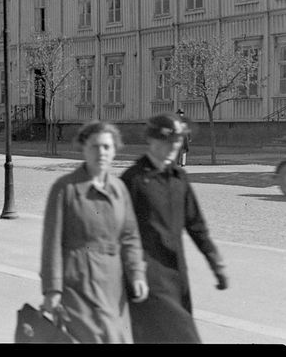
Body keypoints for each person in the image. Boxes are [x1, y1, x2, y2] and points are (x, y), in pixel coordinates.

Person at [121, 114, 229, 344]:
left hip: (177, 275)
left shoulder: (179, 178)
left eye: (177, 141)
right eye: (166, 141)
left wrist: (215, 261)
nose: (173, 147)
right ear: (151, 140)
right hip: (147, 279)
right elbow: (116, 233)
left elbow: (196, 225)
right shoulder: (132, 180)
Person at [40, 121, 148, 344]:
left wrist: (137, 273)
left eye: (107, 147)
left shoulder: (119, 190)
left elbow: (130, 236)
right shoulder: (65, 188)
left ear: (115, 150)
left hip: (112, 285)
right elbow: (51, 242)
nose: (101, 153)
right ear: (83, 148)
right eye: (95, 146)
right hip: (76, 284)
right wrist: (52, 289)